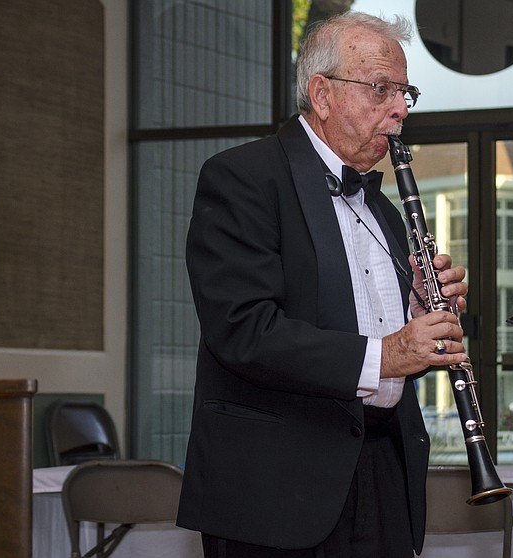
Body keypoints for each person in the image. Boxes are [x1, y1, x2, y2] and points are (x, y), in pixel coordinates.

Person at [176, 11, 469, 558]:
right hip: (277, 488)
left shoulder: (382, 207)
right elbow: (242, 330)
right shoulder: (242, 177)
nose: (400, 109)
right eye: (381, 89)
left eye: (405, 92)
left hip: (382, 471)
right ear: (322, 93)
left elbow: (366, 321)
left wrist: (419, 311)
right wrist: (387, 354)